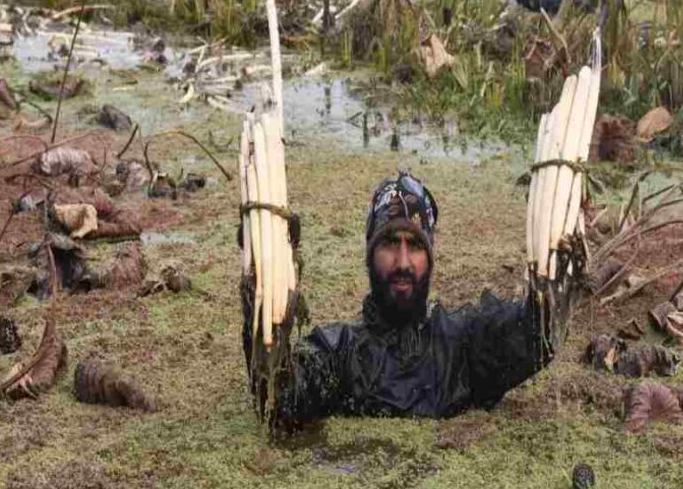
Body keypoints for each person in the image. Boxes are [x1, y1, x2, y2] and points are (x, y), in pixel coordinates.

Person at [243, 171, 579, 430]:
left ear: (430, 257)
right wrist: (265, 307)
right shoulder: (339, 354)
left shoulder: (463, 349)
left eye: (415, 245)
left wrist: (558, 261)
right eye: (390, 243)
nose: (403, 262)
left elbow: (537, 335)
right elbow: (281, 398)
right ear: (369, 254)